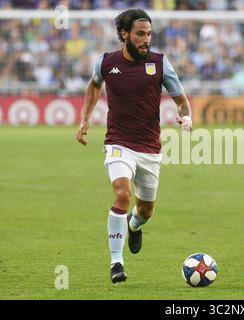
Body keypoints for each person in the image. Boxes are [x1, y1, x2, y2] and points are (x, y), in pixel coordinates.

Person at [75, 8, 192, 284]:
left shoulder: (160, 64)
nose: (146, 39)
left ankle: (134, 224)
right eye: (140, 34)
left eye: (149, 34)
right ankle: (116, 262)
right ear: (124, 34)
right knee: (122, 193)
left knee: (146, 210)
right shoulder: (106, 63)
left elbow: (181, 99)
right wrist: (85, 119)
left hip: (149, 148)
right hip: (118, 143)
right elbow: (94, 87)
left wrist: (186, 116)